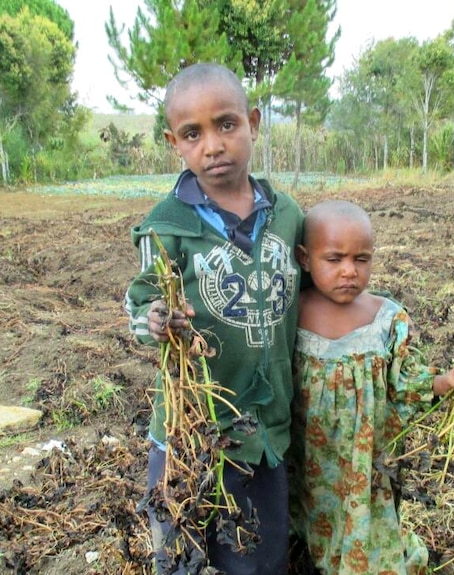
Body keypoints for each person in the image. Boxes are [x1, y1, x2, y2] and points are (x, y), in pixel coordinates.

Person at [123, 62, 304, 575]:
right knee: (180, 553)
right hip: (189, 429)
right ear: (173, 142)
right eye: (192, 133)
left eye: (227, 124)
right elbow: (139, 302)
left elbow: (314, 288)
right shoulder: (165, 229)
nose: (213, 144)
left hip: (263, 432)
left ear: (253, 121)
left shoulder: (287, 216)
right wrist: (155, 320)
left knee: (259, 557)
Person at [288, 200, 454, 575]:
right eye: (335, 259)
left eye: (362, 259)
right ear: (305, 259)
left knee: (364, 530)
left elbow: (404, 380)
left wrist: (444, 382)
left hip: (363, 463)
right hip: (307, 459)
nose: (349, 271)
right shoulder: (290, 313)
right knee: (311, 521)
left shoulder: (385, 319)